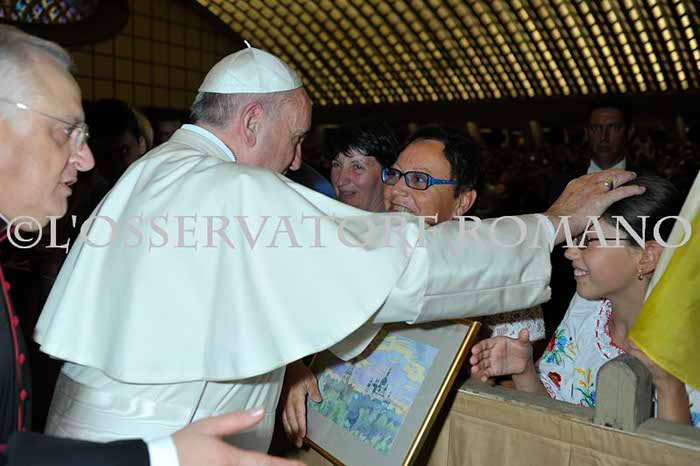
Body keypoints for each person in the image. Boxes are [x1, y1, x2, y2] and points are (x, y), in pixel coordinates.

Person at [35, 44, 642, 453]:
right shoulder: (232, 187)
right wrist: (549, 225)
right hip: (161, 438)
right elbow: (407, 266)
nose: (297, 160)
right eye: (295, 138)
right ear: (252, 121)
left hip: (101, 428)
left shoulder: (158, 170)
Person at [0, 24, 302, 466]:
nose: (87, 159)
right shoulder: (211, 180)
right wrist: (160, 455)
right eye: (67, 132)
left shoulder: (163, 168)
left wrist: (162, 453)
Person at [280, 126, 545, 447]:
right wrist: (293, 368)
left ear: (462, 201)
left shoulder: (505, 279)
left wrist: (479, 383)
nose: (397, 191)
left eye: (419, 180)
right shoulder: (362, 251)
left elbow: (523, 409)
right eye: (395, 176)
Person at [470, 175, 700, 427]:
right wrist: (525, 372)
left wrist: (669, 386)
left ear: (647, 257)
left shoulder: (687, 344)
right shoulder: (588, 309)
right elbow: (556, 423)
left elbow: (681, 448)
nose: (569, 252)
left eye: (588, 240)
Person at [327, 121, 398, 211]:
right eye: (337, 164)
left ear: (388, 175)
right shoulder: (320, 216)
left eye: (358, 167)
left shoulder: (404, 219)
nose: (340, 181)